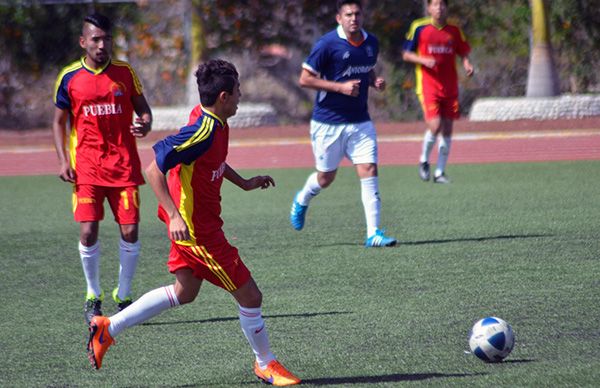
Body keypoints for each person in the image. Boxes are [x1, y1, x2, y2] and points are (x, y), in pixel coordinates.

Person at [86, 59, 301, 386]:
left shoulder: (213, 122)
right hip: (197, 232)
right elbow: (154, 169)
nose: (242, 95)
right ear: (225, 97)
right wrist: (174, 215)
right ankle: (265, 363)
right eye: (239, 91)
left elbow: (212, 161)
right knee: (251, 296)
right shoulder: (202, 130)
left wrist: (243, 182)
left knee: (184, 292)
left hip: (194, 226)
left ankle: (107, 328)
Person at [52, 12, 153, 325]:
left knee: (131, 229)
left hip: (124, 166)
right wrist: (63, 160)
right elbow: (58, 122)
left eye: (106, 39)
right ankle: (92, 294)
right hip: (87, 168)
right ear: (83, 42)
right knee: (88, 230)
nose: (101, 44)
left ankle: (123, 296)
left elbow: (144, 110)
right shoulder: (69, 78)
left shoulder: (125, 73)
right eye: (95, 39)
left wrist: (145, 124)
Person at [289, 0, 397, 248]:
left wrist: (374, 81)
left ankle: (374, 233)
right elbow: (305, 79)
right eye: (348, 14)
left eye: (357, 13)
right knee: (326, 177)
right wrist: (340, 87)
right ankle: (302, 198)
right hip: (328, 122)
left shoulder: (371, 42)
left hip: (360, 121)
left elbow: (365, 69)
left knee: (369, 169)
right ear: (339, 18)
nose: (353, 18)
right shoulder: (327, 44)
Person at [402, 0, 474, 184]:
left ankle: (440, 172)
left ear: (446, 7)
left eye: (442, 4)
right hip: (428, 85)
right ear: (428, 8)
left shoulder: (455, 30)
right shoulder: (419, 27)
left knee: (448, 129)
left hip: (450, 86)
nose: (439, 8)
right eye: (435, 4)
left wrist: (467, 64)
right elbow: (406, 54)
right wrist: (423, 60)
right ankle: (424, 160)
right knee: (435, 126)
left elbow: (463, 51)